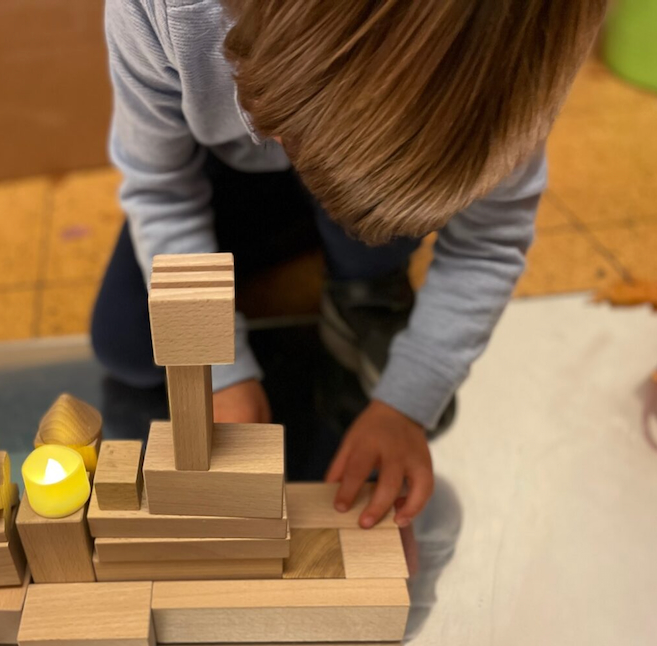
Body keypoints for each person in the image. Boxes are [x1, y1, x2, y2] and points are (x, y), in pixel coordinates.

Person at [91, 0, 607, 529]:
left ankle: (363, 270)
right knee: (127, 344)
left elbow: (490, 241)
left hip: (365, 175)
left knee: (366, 296)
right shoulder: (159, 12)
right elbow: (160, 188)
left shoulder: (507, 58)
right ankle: (338, 258)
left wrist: (405, 404)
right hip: (226, 168)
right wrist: (219, 373)